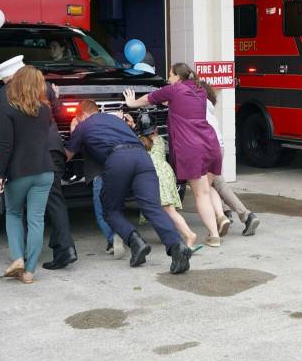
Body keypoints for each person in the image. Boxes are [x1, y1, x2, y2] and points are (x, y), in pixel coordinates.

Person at [65, 100, 192, 274]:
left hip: (118, 159)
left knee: (110, 210)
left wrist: (75, 132)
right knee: (152, 207)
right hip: (142, 158)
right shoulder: (116, 120)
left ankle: (135, 242)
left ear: (82, 115)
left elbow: (68, 155)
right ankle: (177, 246)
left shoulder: (83, 125)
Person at [0, 55, 76, 270]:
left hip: (19, 160)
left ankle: (22, 255)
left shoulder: (0, 96)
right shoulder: (44, 87)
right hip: (49, 152)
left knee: (17, 211)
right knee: (52, 203)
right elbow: (56, 110)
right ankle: (63, 249)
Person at [125, 63, 226, 247]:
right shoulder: (199, 90)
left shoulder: (174, 89)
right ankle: (217, 224)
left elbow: (149, 98)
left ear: (177, 77)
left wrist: (132, 103)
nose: (168, 79)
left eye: (170, 76)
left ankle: (214, 235)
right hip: (211, 144)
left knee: (201, 194)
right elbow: (176, 103)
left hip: (192, 147)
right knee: (206, 190)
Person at [0, 66, 55, 284]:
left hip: (19, 172)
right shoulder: (45, 110)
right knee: (36, 219)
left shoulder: (8, 108)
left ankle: (18, 258)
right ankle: (29, 272)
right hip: (45, 170)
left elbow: (6, 146)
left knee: (13, 213)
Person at [135, 111, 198, 248]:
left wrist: (131, 125)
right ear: (156, 129)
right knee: (164, 209)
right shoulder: (159, 139)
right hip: (166, 174)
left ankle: (189, 235)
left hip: (156, 177)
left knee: (168, 210)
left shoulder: (141, 142)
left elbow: (136, 139)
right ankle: (170, 236)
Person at [205, 86, 260, 237]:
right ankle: (226, 212)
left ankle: (245, 215)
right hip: (218, 148)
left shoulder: (195, 106)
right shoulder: (209, 110)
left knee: (208, 186)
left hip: (207, 149)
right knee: (217, 184)